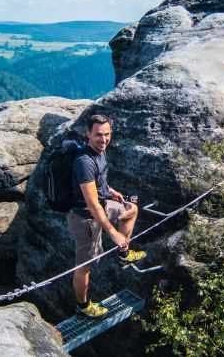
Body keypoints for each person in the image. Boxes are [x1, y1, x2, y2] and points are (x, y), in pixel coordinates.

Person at [68, 114, 147, 317]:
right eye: (98, 135)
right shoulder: (84, 162)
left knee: (131, 210)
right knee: (85, 266)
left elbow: (98, 181)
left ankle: (123, 254)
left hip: (103, 203)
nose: (103, 140)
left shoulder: (100, 152)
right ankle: (83, 306)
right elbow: (93, 206)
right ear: (88, 134)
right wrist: (113, 233)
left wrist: (110, 190)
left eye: (107, 134)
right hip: (86, 218)